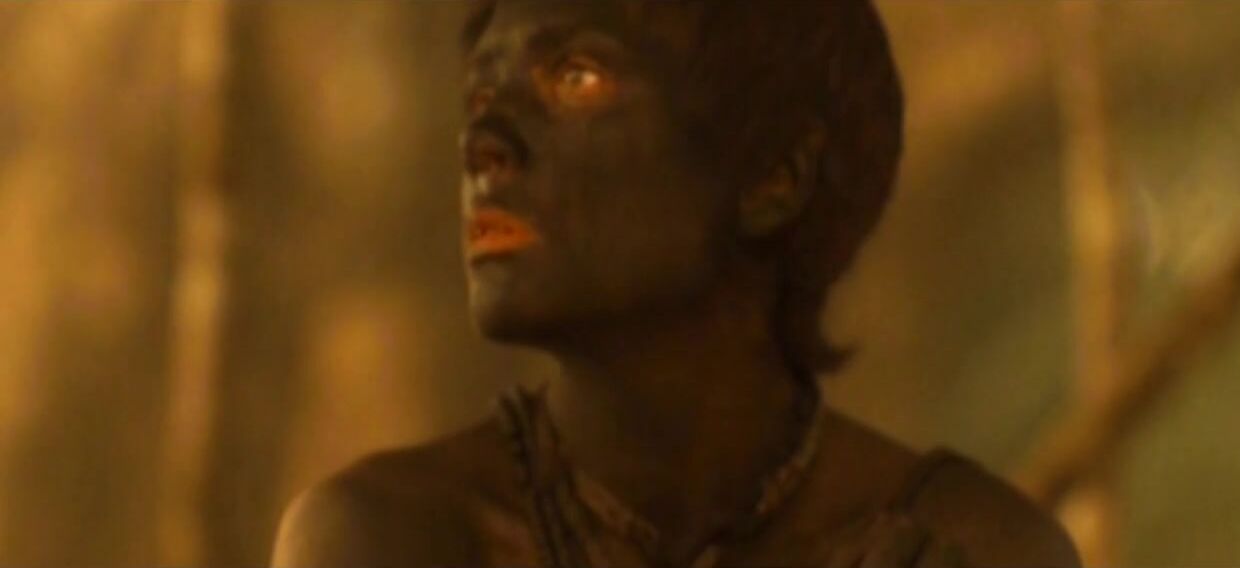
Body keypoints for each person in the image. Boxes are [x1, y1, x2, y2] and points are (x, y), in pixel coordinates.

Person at [272, 1, 1080, 566]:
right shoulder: (391, 539)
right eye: (481, 95)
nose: (483, 140)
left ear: (774, 175)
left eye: (576, 77)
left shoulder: (969, 546)